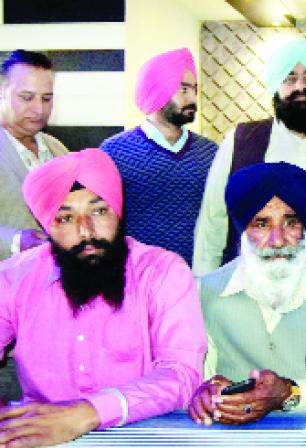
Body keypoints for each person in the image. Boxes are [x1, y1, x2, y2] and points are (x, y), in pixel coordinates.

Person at [0, 148, 206, 447]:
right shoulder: (13, 278)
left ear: (117, 211)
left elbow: (181, 374)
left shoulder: (162, 272)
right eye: (65, 217)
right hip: (42, 438)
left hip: (146, 436)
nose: (87, 231)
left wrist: (88, 413)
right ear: (46, 226)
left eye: (99, 211)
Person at [188, 162, 306, 425]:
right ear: (243, 231)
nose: (278, 240)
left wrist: (289, 393)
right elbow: (192, 377)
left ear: (305, 229)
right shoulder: (205, 292)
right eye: (262, 224)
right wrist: (203, 394)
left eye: (291, 223)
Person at [194, 39, 306, 275]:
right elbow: (212, 223)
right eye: (289, 78)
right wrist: (203, 285)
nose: (301, 88)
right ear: (276, 86)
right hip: (256, 289)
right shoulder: (241, 140)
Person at [101, 48, 218, 266]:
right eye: (183, 89)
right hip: (137, 278)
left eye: (194, 89)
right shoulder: (114, 152)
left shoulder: (210, 152)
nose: (193, 98)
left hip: (199, 278)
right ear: (158, 91)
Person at [0, 50, 68, 261]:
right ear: (2, 91)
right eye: (27, 97)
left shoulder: (58, 149)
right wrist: (15, 241)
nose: (39, 109)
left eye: (46, 98)